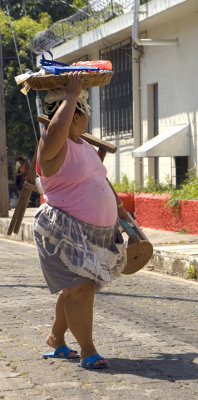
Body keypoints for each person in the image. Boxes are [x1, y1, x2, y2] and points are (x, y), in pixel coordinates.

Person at [33, 71, 130, 369]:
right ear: (75, 115)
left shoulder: (84, 146)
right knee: (80, 289)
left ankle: (56, 339)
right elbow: (55, 132)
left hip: (92, 232)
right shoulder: (51, 146)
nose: (88, 118)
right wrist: (72, 95)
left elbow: (99, 179)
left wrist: (122, 212)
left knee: (74, 289)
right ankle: (88, 350)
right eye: (84, 112)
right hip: (61, 230)